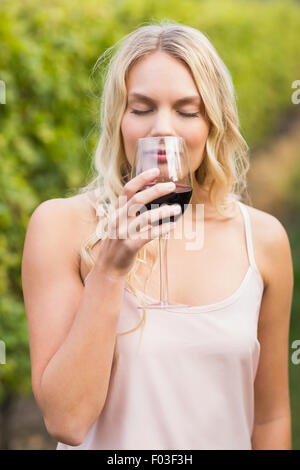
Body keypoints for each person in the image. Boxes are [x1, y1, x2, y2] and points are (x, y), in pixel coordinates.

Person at [21, 20, 294, 450]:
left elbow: (270, 416)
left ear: (213, 122)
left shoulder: (262, 240)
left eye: (187, 111)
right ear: (119, 118)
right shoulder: (61, 227)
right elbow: (66, 421)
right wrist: (109, 271)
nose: (162, 129)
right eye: (142, 108)